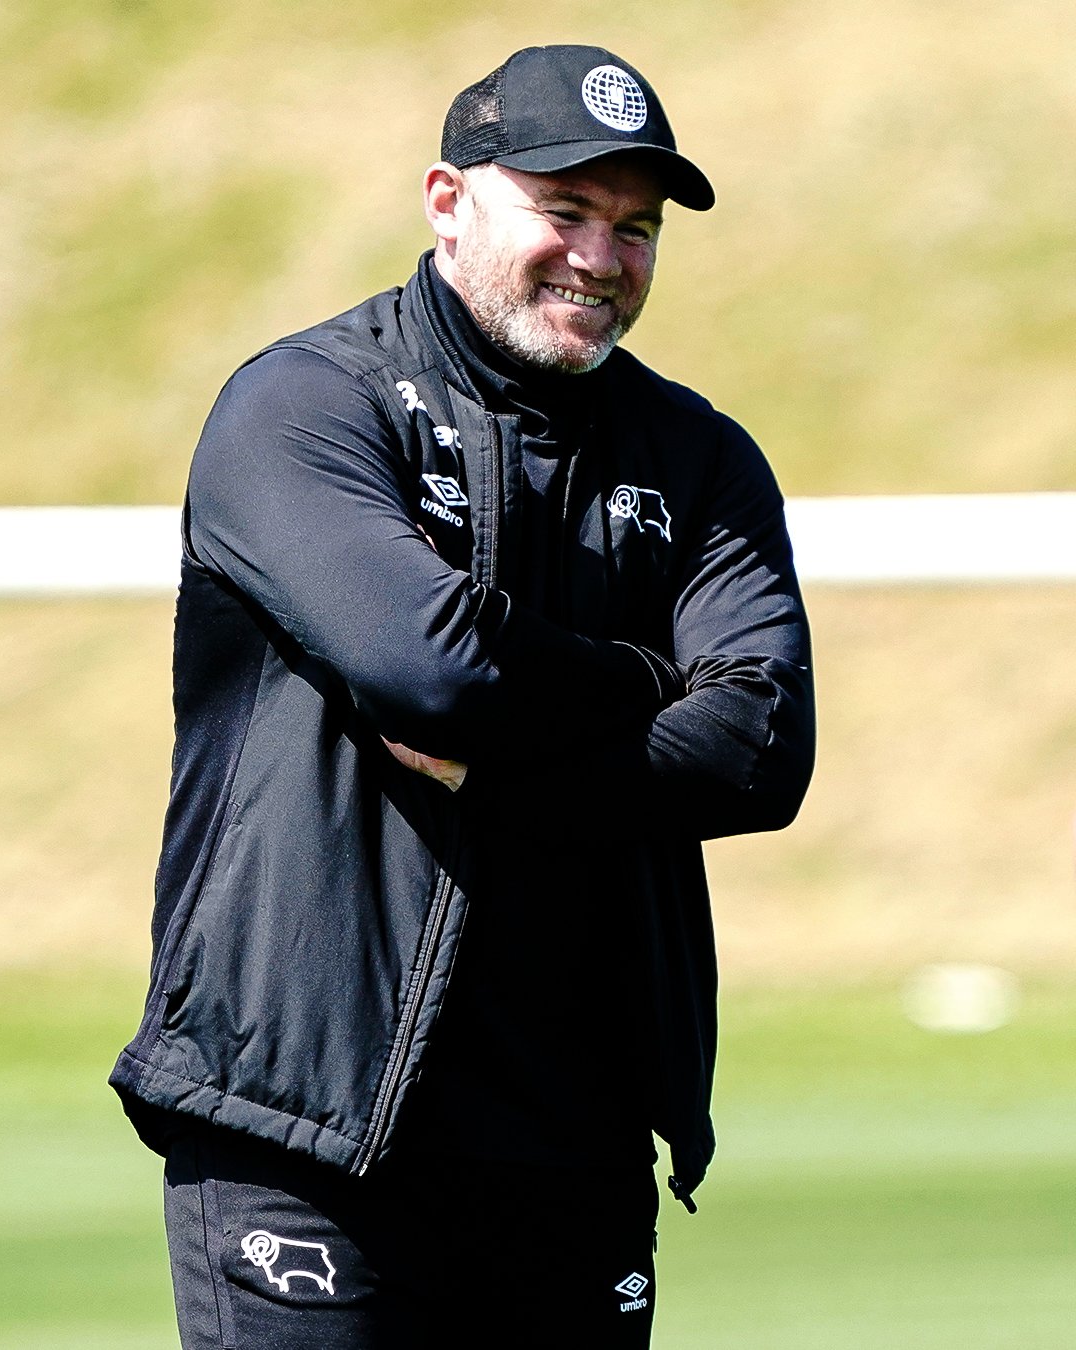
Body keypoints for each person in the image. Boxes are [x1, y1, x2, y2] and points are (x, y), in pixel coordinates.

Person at [111, 43, 815, 1349]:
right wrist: (648, 683)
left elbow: (761, 747)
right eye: (565, 209)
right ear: (448, 201)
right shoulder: (304, 405)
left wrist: (499, 760)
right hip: (305, 1127)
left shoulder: (700, 458)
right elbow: (429, 666)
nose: (599, 259)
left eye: (636, 229)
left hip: (577, 1135)